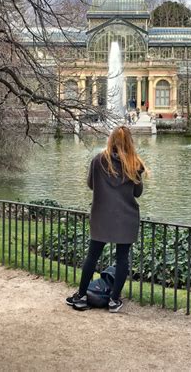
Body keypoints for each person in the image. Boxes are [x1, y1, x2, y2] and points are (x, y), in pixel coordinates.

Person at [66, 126, 147, 313]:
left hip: (101, 215)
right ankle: (113, 300)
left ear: (110, 140)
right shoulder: (134, 164)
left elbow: (90, 185)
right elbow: (137, 192)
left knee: (92, 257)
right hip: (126, 217)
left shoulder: (98, 160)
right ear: (130, 142)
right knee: (122, 259)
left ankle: (81, 295)